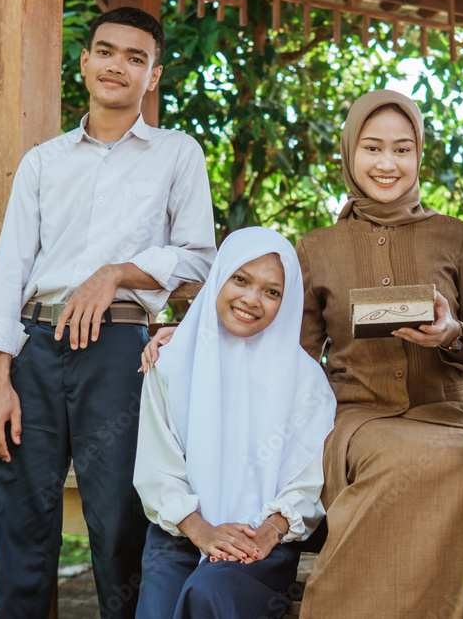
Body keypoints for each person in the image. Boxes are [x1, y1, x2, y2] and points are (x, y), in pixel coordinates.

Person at [0, 6, 216, 618]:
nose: (117, 66)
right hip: (35, 351)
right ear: (85, 61)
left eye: (136, 58)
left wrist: (117, 273)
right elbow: (10, 274)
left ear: (153, 76)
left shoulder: (177, 155)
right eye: (106, 51)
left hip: (121, 354)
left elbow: (201, 260)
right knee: (20, 520)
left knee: (120, 525)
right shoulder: (44, 161)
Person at [295, 89, 463, 619]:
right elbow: (291, 354)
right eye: (373, 148)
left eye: (402, 150)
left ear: (419, 155)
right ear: (350, 153)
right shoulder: (316, 248)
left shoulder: (456, 237)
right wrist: (190, 333)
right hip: (360, 416)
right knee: (396, 457)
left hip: (450, 413)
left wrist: (453, 335)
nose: (387, 164)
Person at [132, 226, 336, 619]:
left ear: (287, 301)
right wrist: (202, 531)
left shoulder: (308, 382)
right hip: (180, 534)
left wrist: (269, 531)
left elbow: (307, 483)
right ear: (219, 277)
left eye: (272, 291)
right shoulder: (171, 363)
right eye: (240, 279)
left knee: (211, 592)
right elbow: (157, 469)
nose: (251, 299)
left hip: (259, 544)